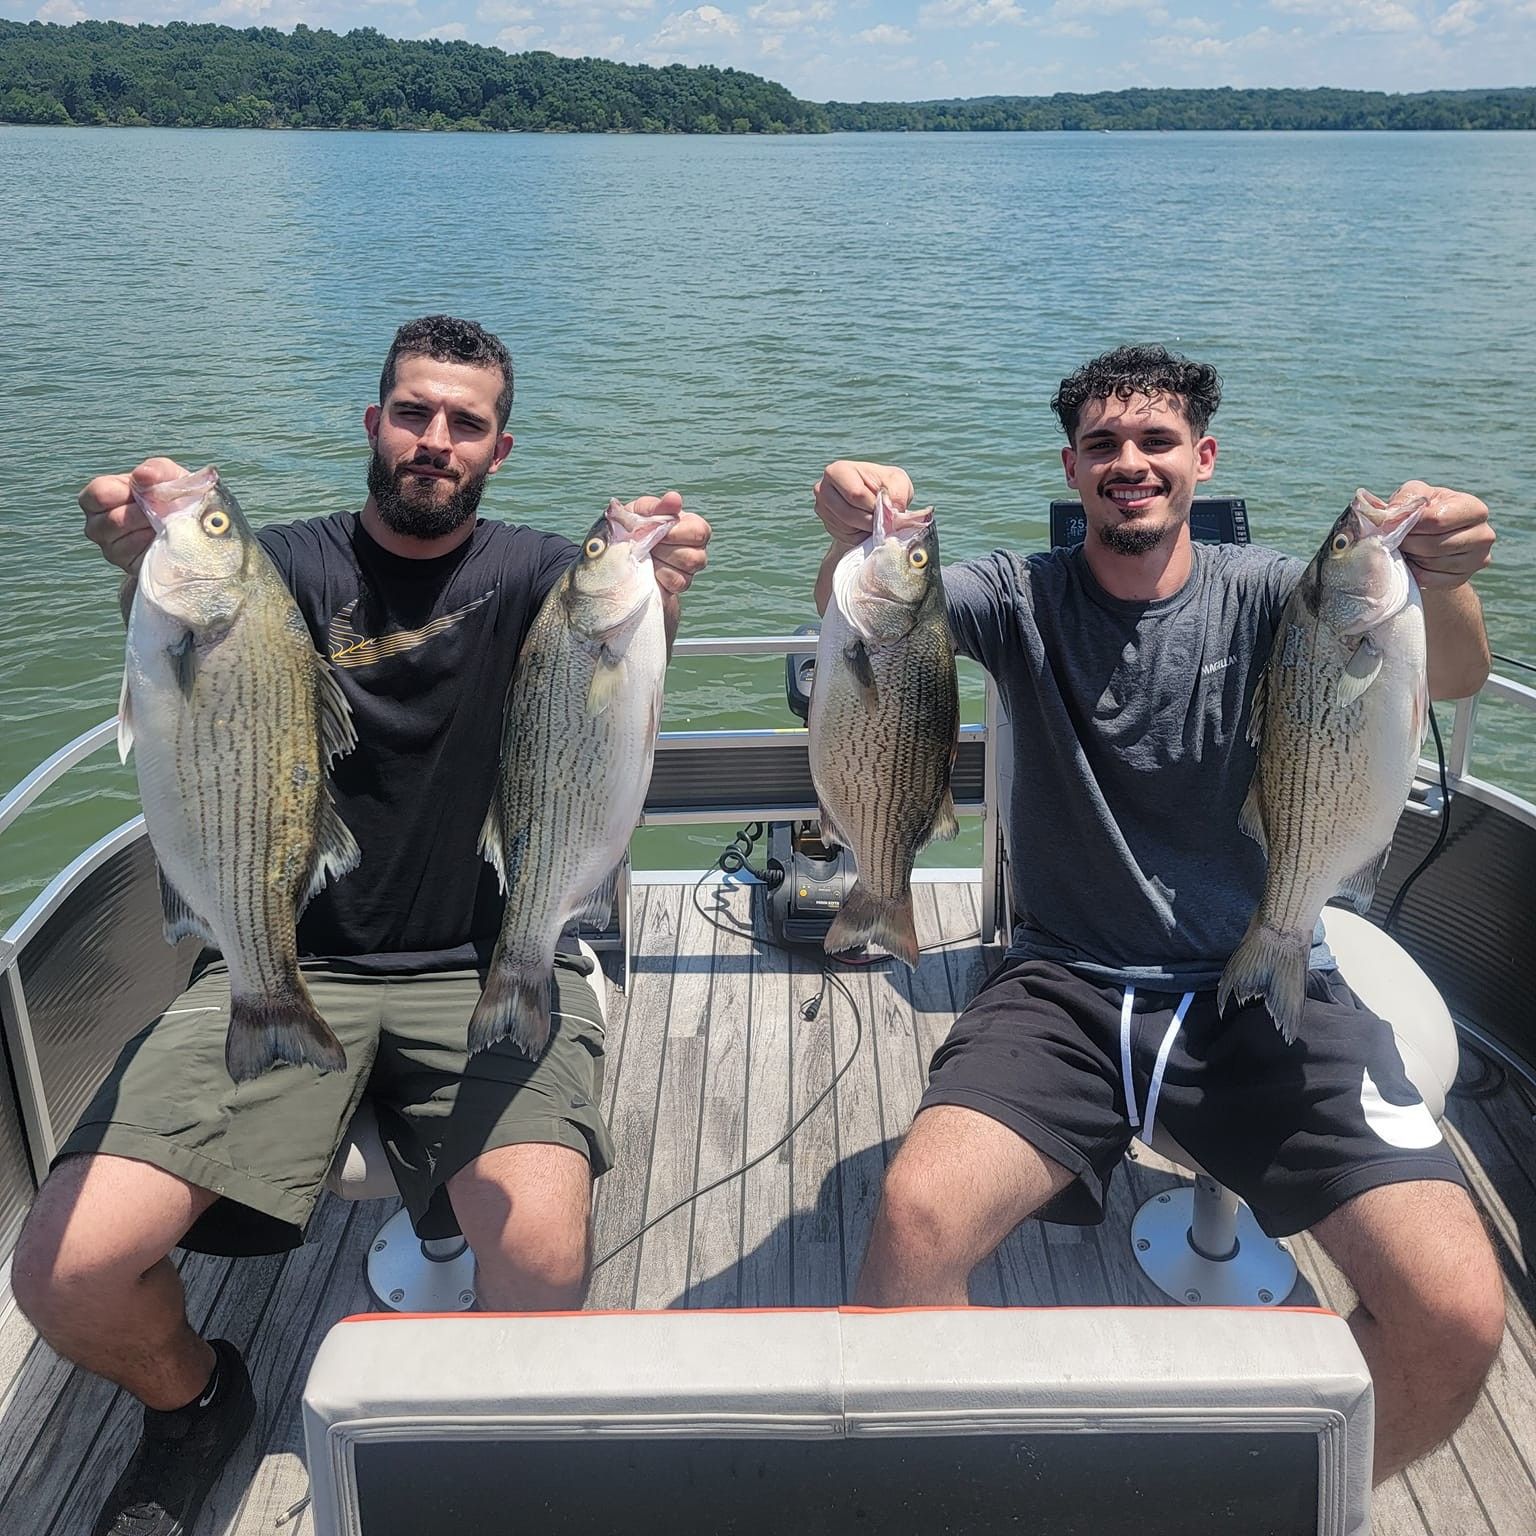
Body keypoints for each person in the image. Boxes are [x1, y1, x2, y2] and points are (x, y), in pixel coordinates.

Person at [12, 314, 711, 1536]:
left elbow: (617, 690)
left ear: (501, 449)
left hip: (480, 961)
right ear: (372, 422)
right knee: (63, 1277)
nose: (434, 440)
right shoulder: (271, 572)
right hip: (281, 955)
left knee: (542, 1259)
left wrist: (663, 580)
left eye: (466, 423)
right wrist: (131, 537)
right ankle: (197, 1400)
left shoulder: (544, 579)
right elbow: (163, 597)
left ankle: (477, 1436)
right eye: (413, 412)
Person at [812, 343, 1504, 1485]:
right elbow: (880, 631)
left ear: (1203, 459)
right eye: (1102, 446)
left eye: (1155, 442)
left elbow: (1455, 673)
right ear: (1074, 468)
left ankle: (1274, 1505)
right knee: (911, 1235)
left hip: (1264, 969)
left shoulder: (1284, 593)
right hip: (1062, 986)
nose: (1128, 463)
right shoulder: (1015, 594)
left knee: (1455, 1310)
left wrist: (1444, 574)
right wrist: (849, 522)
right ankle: (982, 1499)